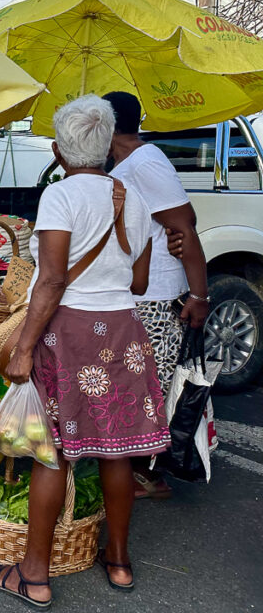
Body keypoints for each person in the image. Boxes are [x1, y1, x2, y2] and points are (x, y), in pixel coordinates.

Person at [0, 95, 169, 606]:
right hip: (124, 330)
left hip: (69, 331)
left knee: (52, 452)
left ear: (58, 150)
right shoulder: (135, 197)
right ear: (108, 145)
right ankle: (120, 561)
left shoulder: (60, 197)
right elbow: (140, 280)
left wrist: (21, 349)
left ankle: (35, 575)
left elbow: (51, 282)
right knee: (119, 449)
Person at [105, 90, 209, 500]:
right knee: (134, 384)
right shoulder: (127, 164)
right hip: (138, 293)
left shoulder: (146, 163)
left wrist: (199, 296)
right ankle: (134, 468)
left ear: (110, 126)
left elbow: (184, 225)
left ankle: (147, 474)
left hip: (156, 296)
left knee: (146, 388)